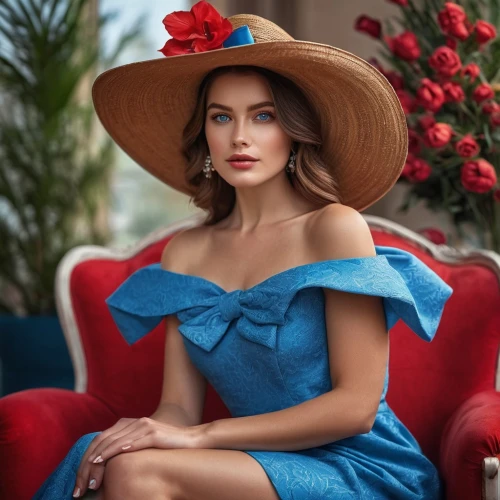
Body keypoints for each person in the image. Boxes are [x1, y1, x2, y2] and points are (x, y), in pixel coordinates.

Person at [34, 1, 454, 499]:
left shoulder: (333, 228)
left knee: (137, 473)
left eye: (263, 116)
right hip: (251, 465)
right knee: (106, 454)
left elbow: (355, 408)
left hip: (360, 467)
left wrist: (198, 438)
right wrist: (146, 431)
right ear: (204, 134)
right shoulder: (184, 252)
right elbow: (178, 409)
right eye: (221, 117)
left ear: (295, 133)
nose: (239, 137)